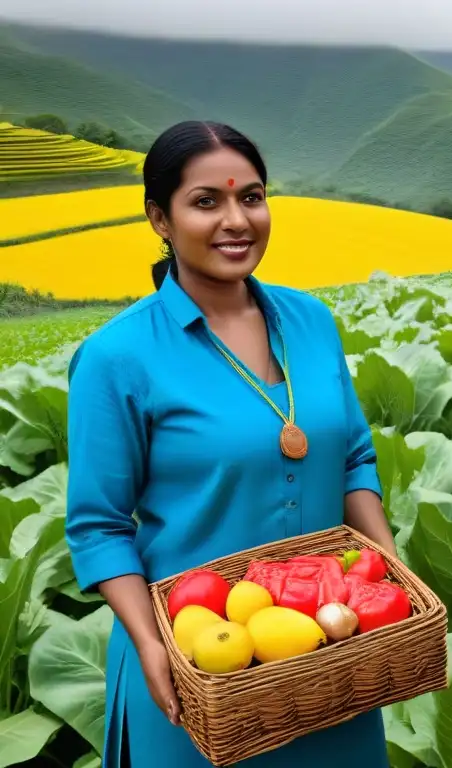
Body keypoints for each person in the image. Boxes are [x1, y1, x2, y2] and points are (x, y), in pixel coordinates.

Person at [64, 120, 396, 768]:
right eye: (206, 201)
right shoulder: (118, 356)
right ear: (160, 218)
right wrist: (152, 644)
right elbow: (99, 528)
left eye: (251, 197)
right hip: (199, 668)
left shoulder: (312, 322)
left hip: (330, 654)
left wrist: (387, 575)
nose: (236, 220)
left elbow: (354, 456)